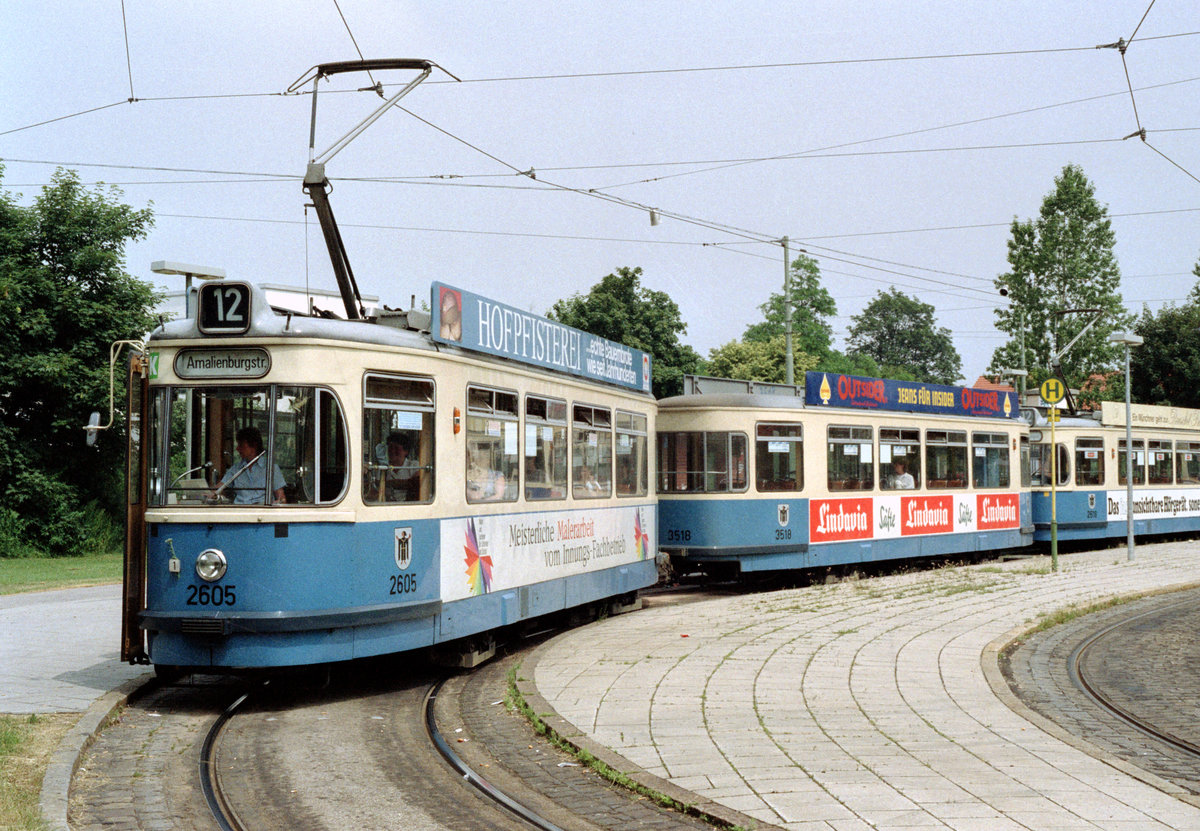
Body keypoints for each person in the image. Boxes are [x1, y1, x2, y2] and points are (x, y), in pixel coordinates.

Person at [211, 426, 286, 504]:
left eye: (241, 445)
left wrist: (274, 504)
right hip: (240, 512)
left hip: (263, 512)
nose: (237, 448)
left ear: (253, 445)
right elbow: (218, 489)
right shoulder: (236, 469)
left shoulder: (271, 468)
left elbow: (282, 499)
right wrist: (206, 493)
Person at [379, 432, 419, 501]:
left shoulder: (414, 465)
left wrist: (387, 483)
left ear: (406, 451)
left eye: (396, 448)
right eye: (390, 448)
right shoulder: (382, 468)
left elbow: (416, 483)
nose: (392, 451)